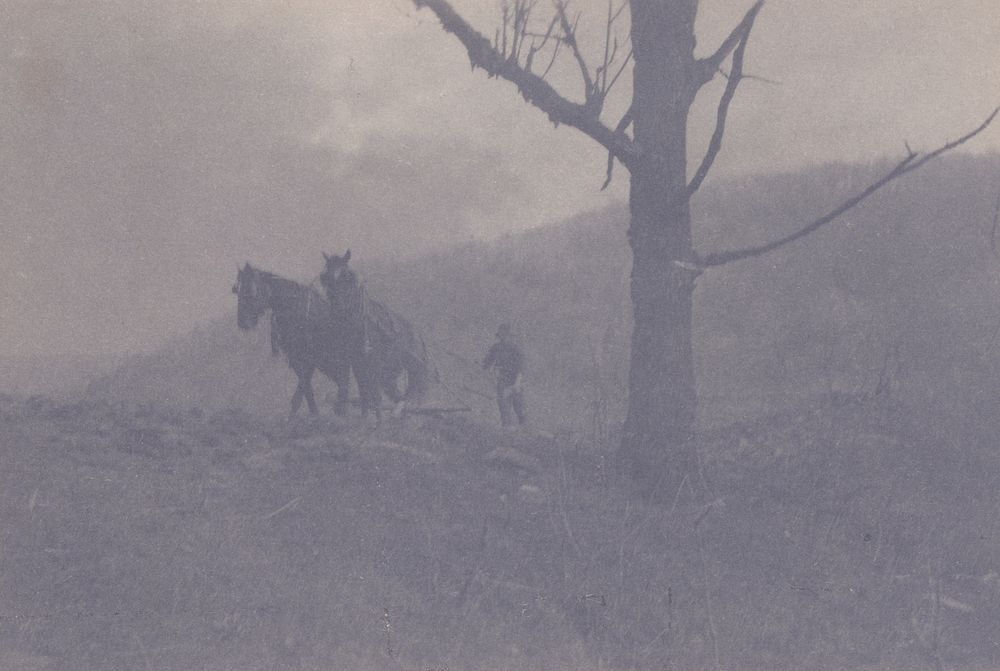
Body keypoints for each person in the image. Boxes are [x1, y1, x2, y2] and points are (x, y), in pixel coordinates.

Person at [483, 323, 526, 426]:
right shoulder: (496, 348)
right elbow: (487, 363)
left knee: (519, 409)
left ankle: (524, 429)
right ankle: (507, 432)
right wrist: (479, 364)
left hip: (515, 380)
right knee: (504, 408)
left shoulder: (516, 349)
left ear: (510, 336)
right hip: (502, 380)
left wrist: (517, 384)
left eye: (506, 335)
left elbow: (521, 368)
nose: (504, 337)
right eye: (502, 334)